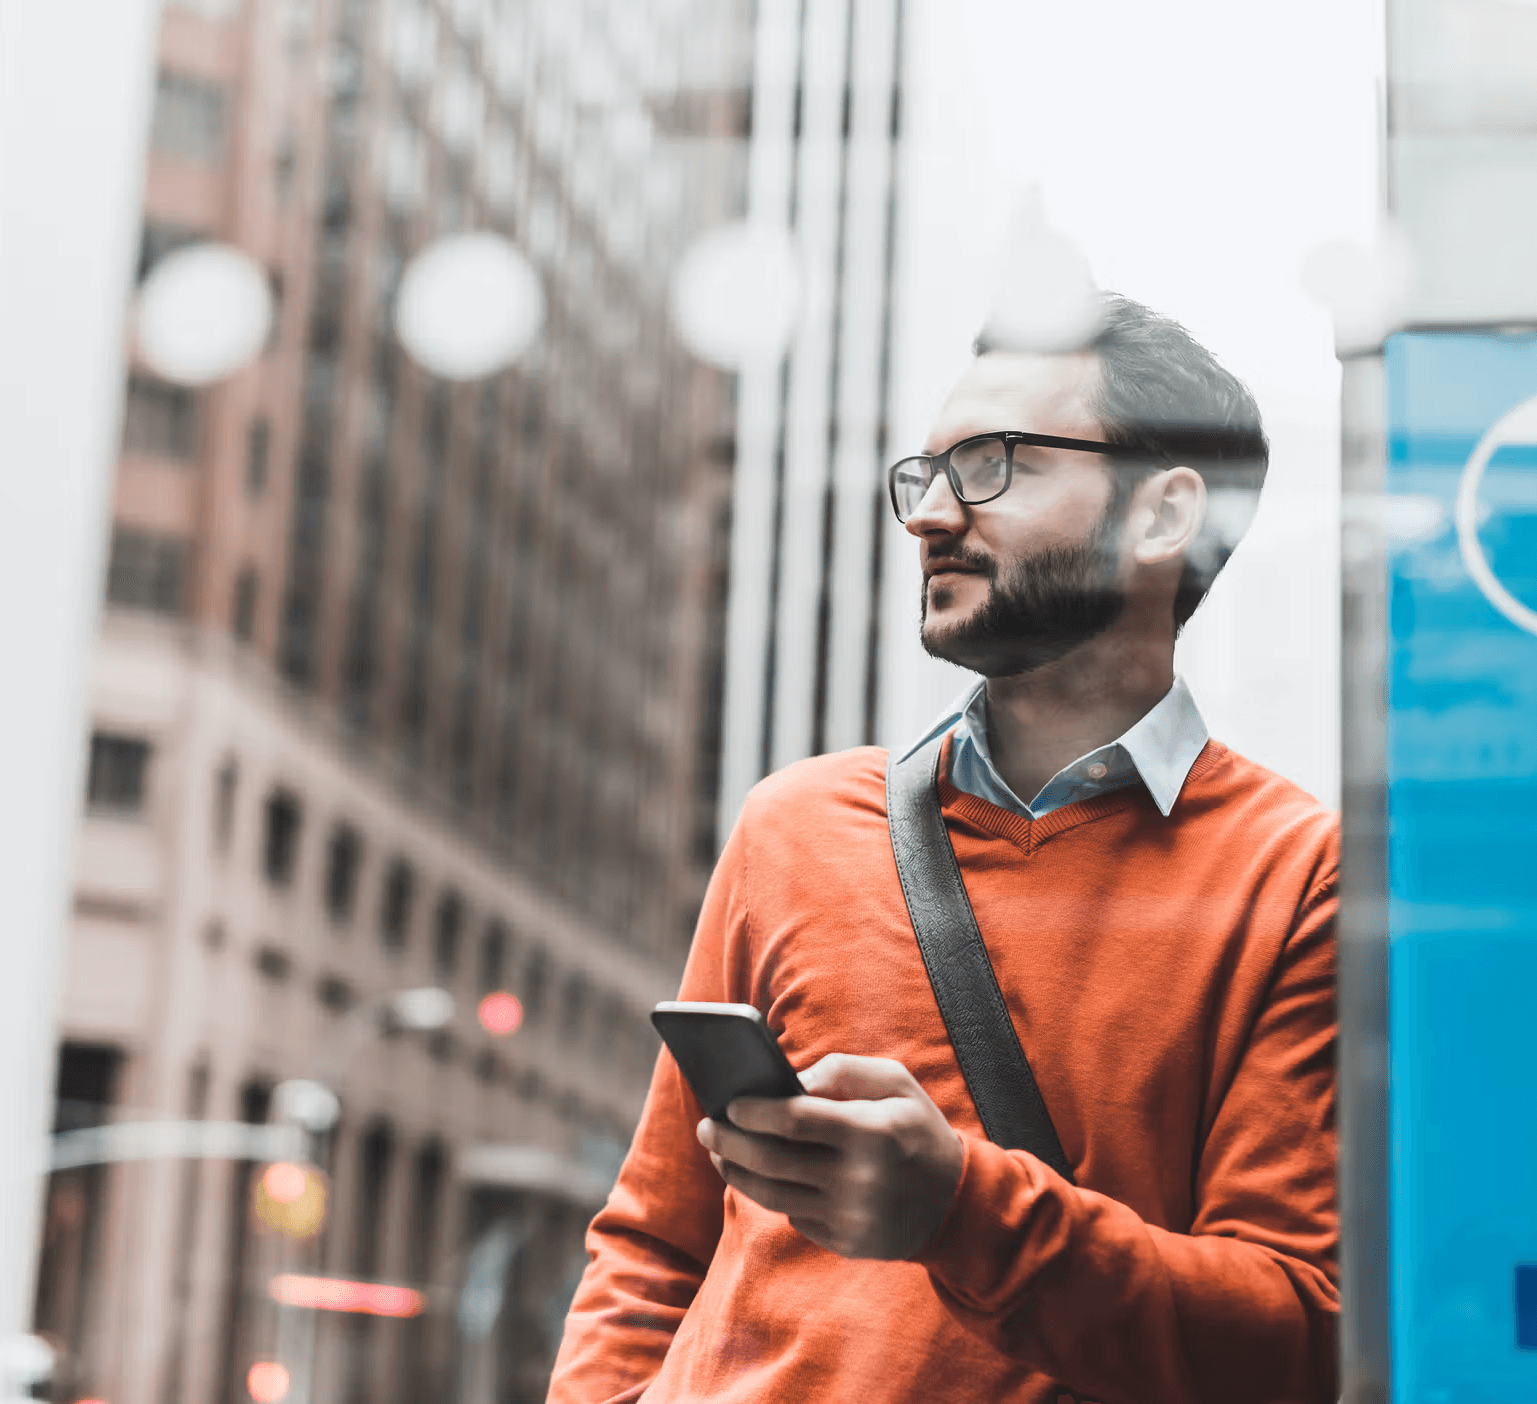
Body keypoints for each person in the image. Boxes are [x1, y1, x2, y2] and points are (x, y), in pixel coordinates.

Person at [547, 294, 1338, 1404]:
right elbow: (650, 1245)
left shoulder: (1300, 874)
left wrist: (962, 1213)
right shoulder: (794, 823)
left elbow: (1291, 1340)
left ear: (1162, 517)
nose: (928, 516)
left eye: (991, 465)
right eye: (921, 477)